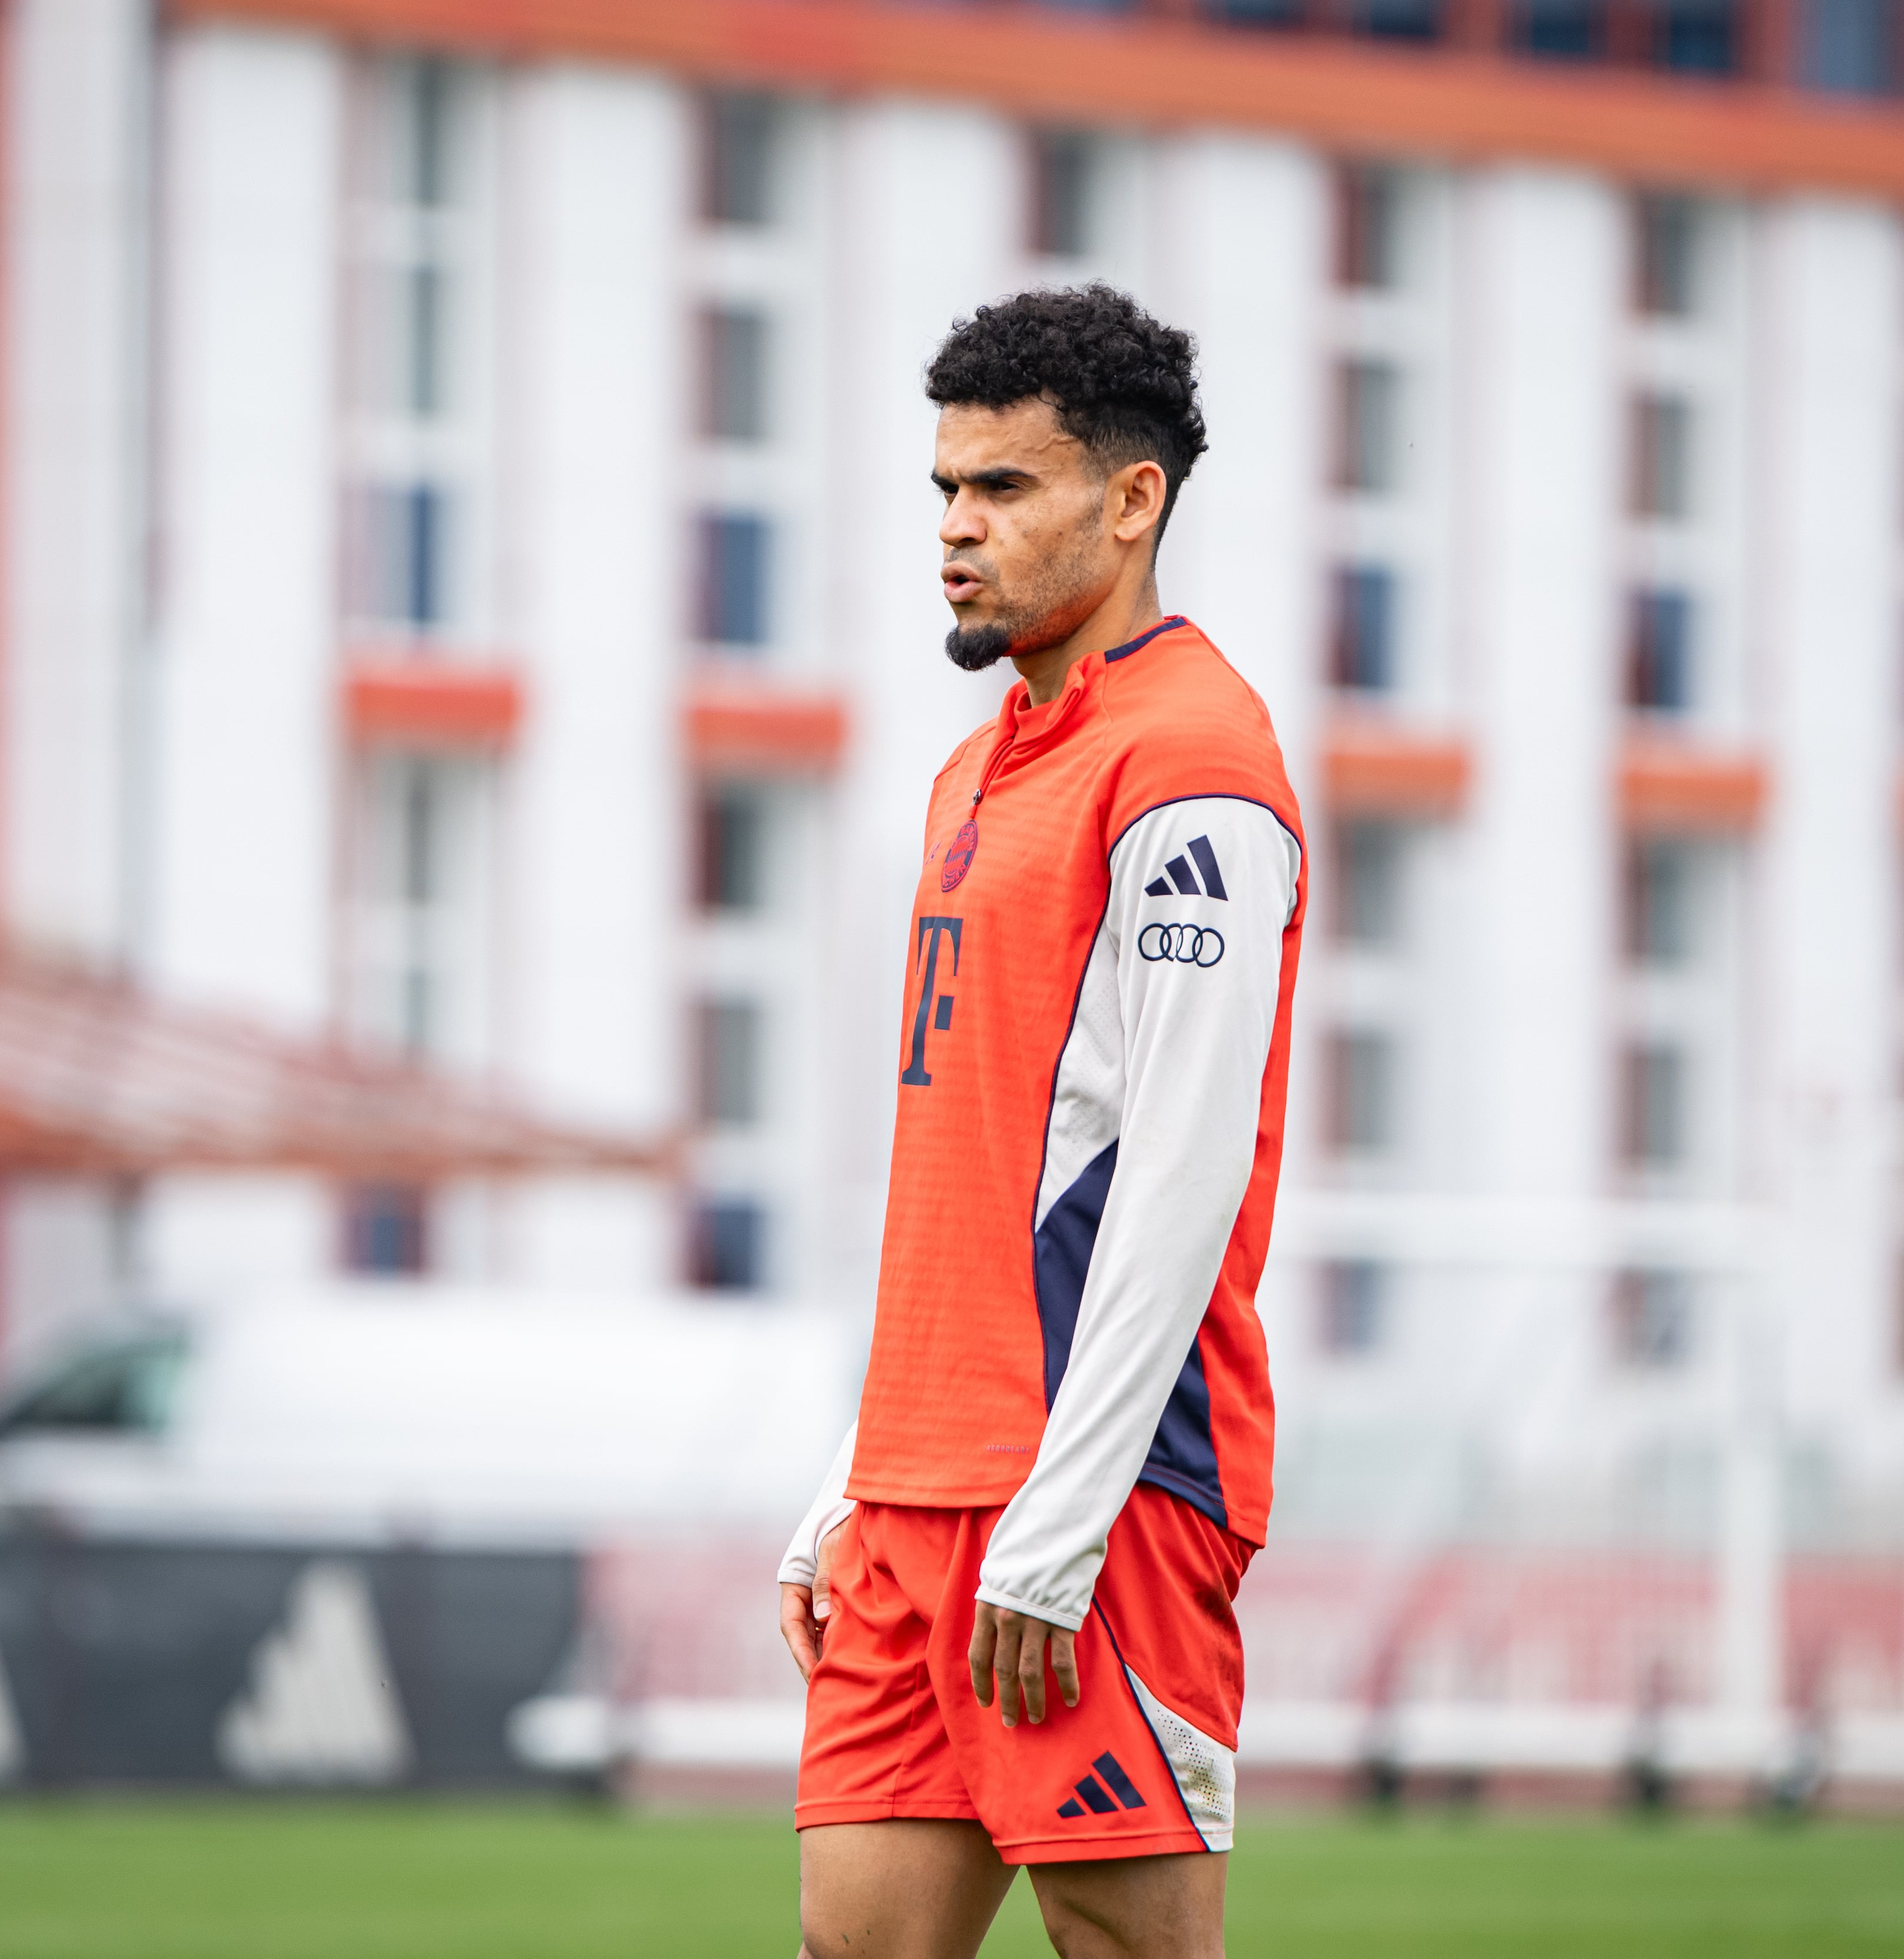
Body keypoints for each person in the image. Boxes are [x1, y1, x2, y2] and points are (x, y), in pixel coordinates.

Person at [775, 284, 1305, 1959]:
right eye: (945, 490)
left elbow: (1180, 1174)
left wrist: (1062, 1518)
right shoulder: (974, 767)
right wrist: (866, 1475)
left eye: (1002, 490)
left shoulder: (1198, 765)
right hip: (923, 1494)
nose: (957, 529)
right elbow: (977, 1165)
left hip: (1108, 1495)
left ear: (1132, 499)